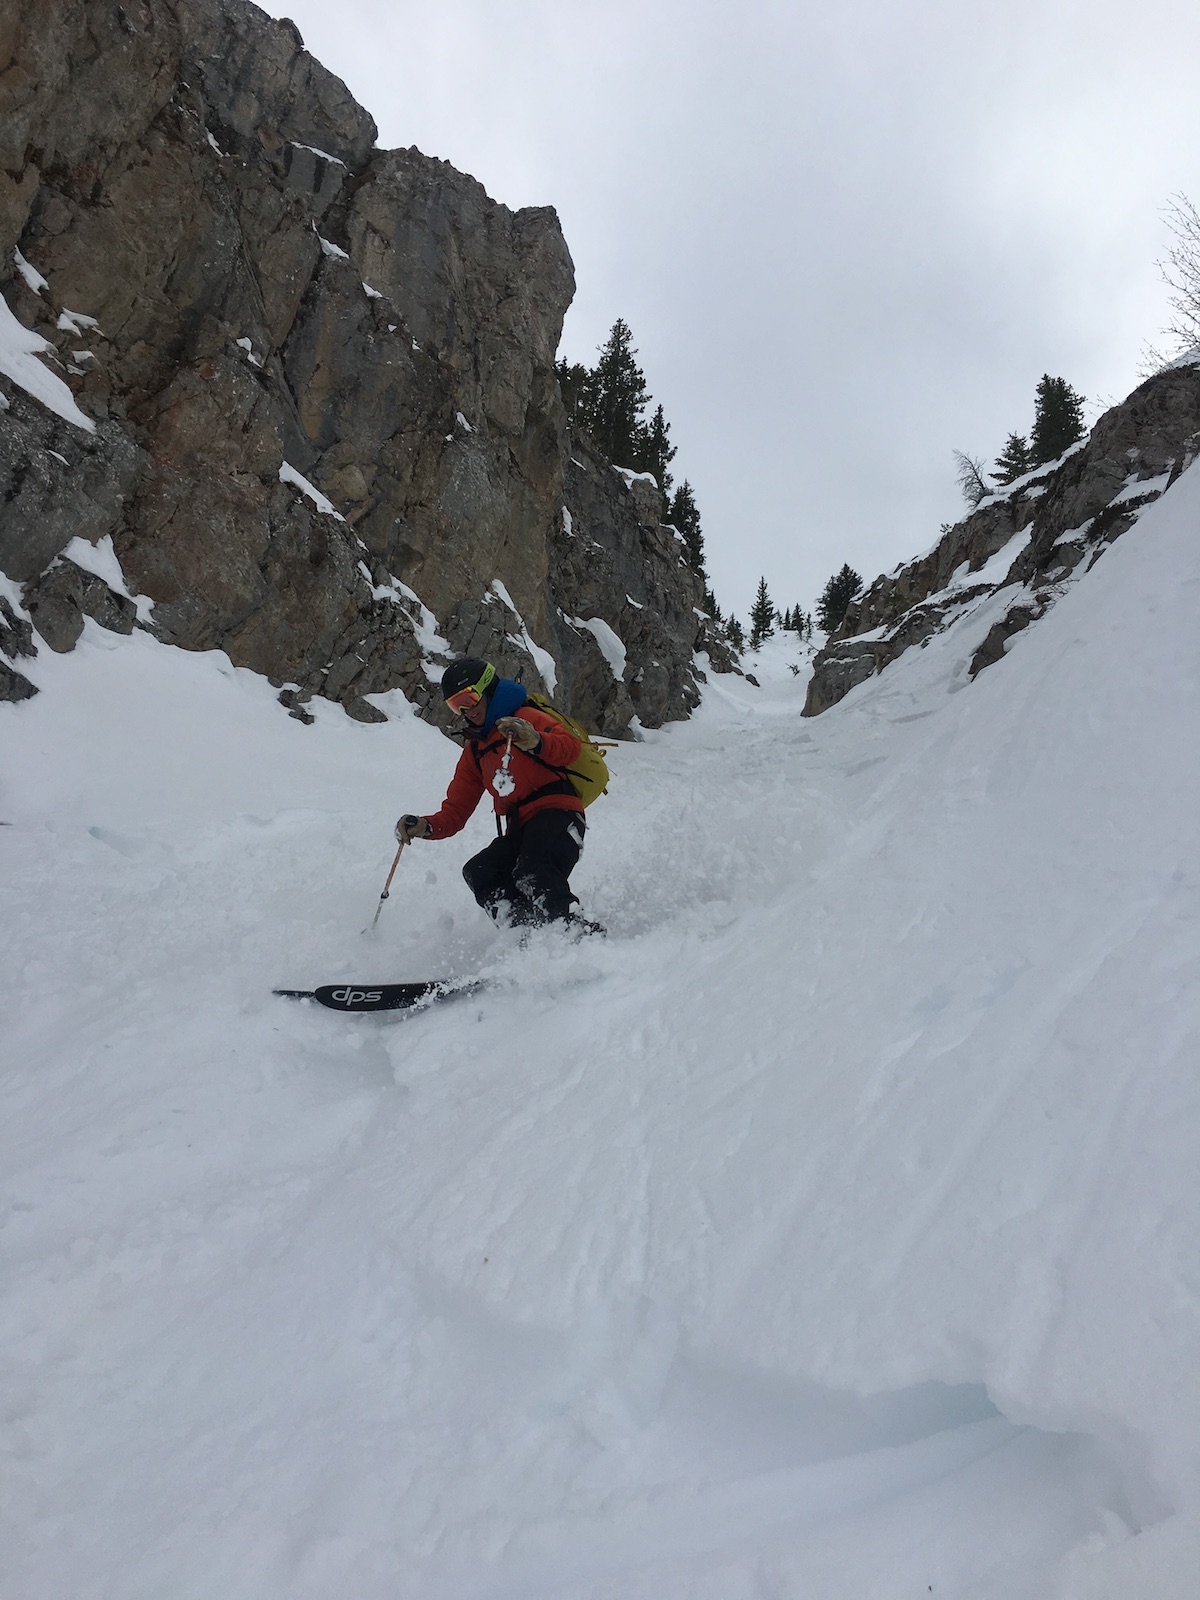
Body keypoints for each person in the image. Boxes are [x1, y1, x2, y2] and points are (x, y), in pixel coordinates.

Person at [395, 659, 601, 933]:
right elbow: (456, 811)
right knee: (480, 871)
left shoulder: (526, 718)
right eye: (457, 706)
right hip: (521, 829)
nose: (466, 711)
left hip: (558, 814)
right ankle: (523, 936)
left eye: (469, 698)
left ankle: (576, 933)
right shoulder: (476, 752)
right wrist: (425, 826)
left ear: (488, 689)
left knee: (533, 870)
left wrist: (536, 741)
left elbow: (569, 747)